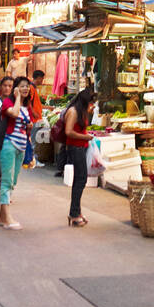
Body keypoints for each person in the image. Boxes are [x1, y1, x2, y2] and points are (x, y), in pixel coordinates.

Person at [0, 76, 34, 229]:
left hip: (21, 147)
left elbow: (24, 125)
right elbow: (15, 114)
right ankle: (7, 218)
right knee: (7, 181)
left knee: (13, 182)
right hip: (9, 145)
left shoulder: (27, 106)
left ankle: (1, 217)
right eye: (22, 86)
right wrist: (17, 97)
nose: (26, 89)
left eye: (27, 87)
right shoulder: (8, 103)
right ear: (16, 88)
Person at [63, 88, 95, 228]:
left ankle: (76, 211)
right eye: (91, 103)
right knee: (80, 180)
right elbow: (69, 132)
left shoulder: (80, 111)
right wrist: (85, 137)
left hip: (80, 147)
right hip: (75, 148)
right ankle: (74, 213)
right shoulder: (74, 112)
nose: (92, 106)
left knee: (80, 179)